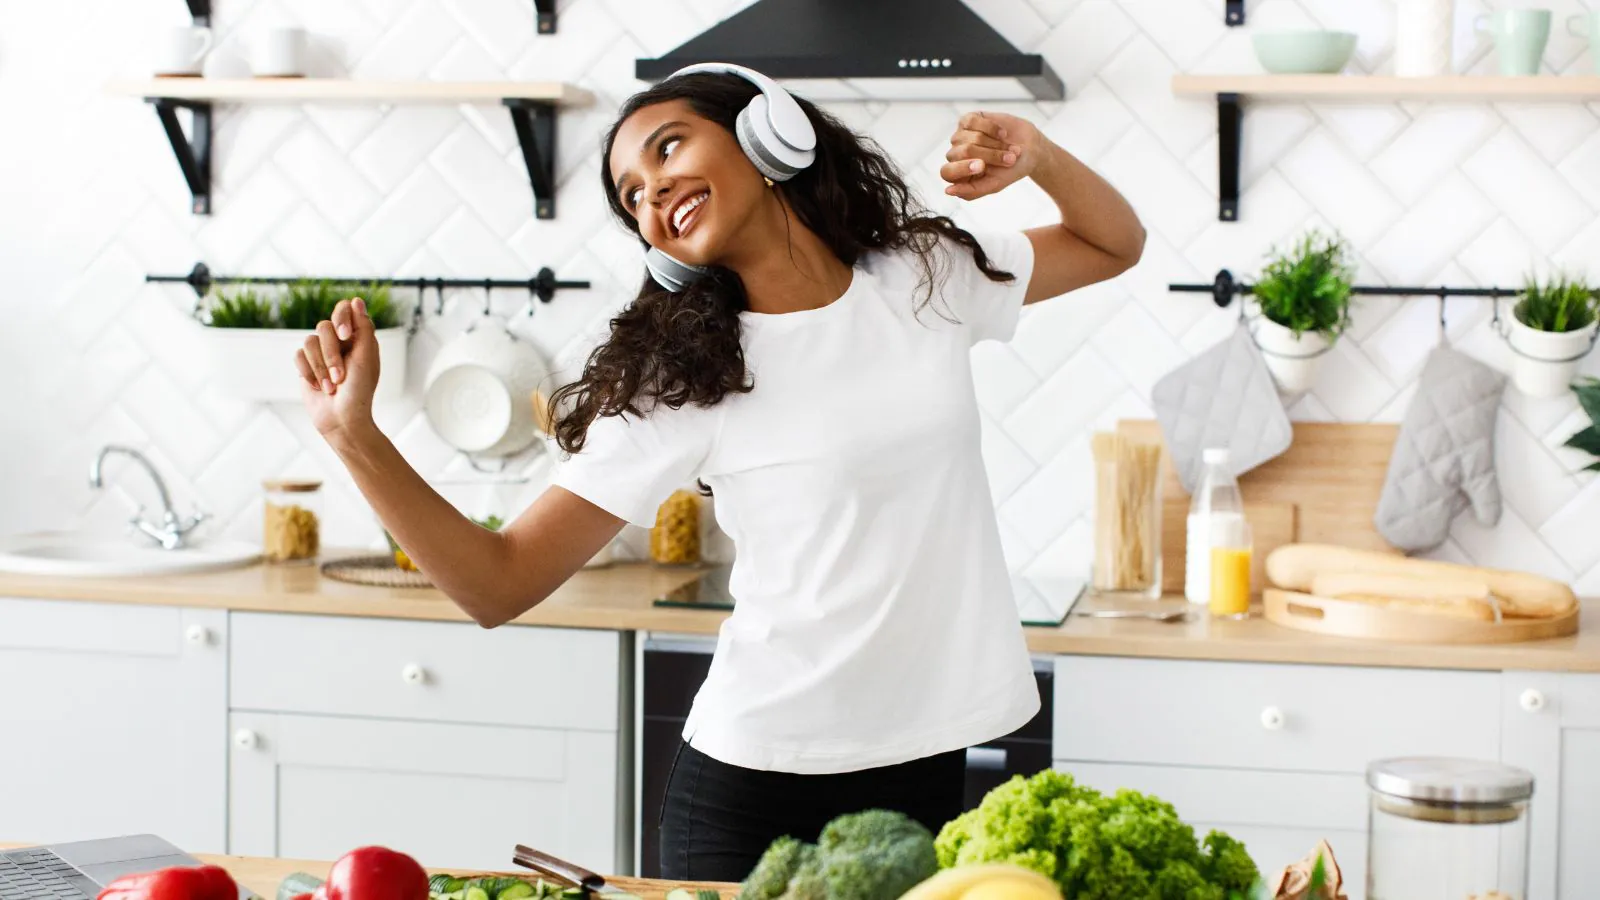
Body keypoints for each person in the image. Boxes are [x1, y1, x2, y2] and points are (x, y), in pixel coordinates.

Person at [294, 65, 1144, 881]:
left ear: (766, 135)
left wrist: (1039, 158)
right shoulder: (684, 379)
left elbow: (1115, 244)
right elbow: (498, 583)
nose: (651, 192)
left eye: (667, 150)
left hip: (927, 767)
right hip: (757, 790)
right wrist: (353, 436)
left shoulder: (923, 275)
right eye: (631, 194)